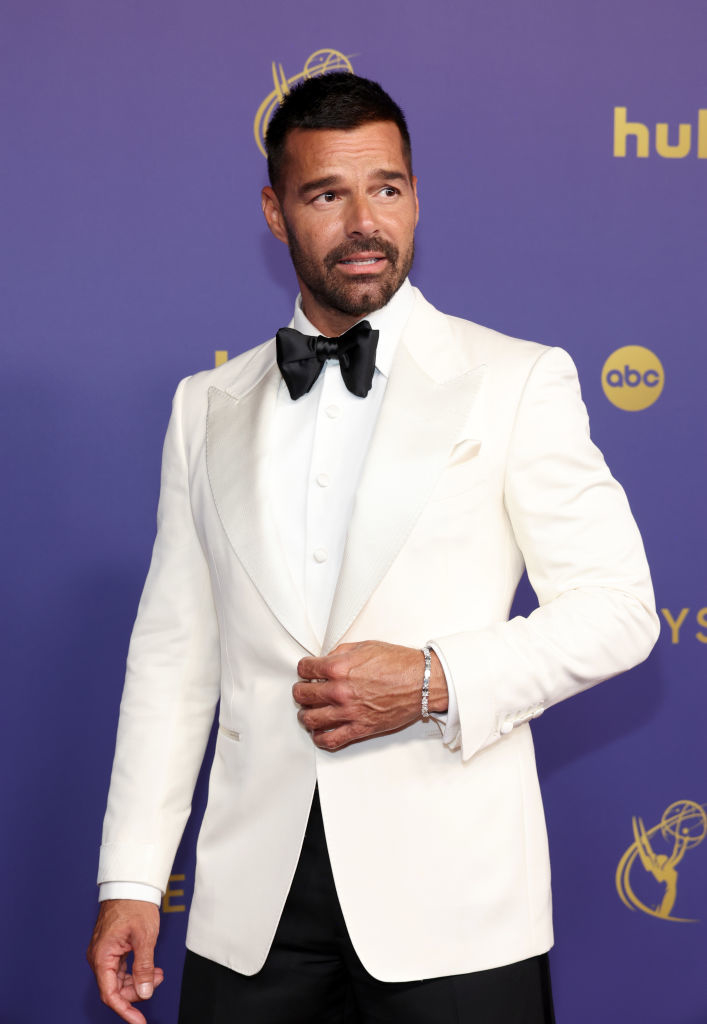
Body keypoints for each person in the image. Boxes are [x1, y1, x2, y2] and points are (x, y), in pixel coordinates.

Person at [87, 72, 659, 1024]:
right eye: (326, 194)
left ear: (415, 196)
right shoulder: (205, 409)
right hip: (249, 914)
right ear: (275, 212)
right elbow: (173, 660)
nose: (364, 221)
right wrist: (134, 879)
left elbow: (618, 613)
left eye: (386, 188)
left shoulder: (514, 380)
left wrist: (431, 680)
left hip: (456, 908)